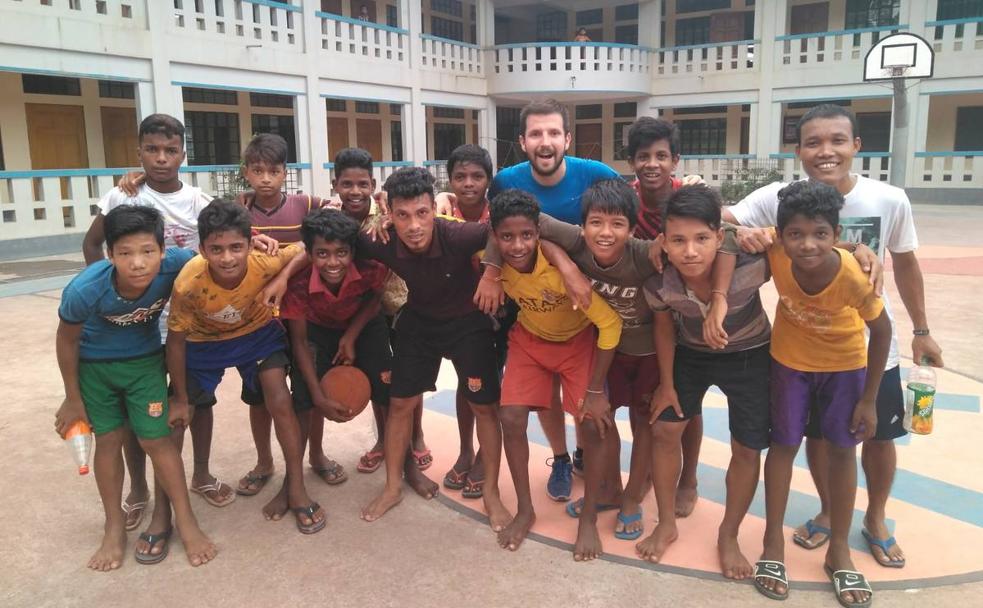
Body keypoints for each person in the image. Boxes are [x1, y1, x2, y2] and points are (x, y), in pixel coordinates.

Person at [724, 104, 942, 569]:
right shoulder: (779, 197)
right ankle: (828, 510)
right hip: (799, 358)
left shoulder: (890, 199)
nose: (826, 151)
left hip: (864, 354)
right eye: (813, 142)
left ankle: (876, 518)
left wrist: (923, 330)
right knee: (819, 440)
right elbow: (721, 219)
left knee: (878, 437)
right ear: (798, 149)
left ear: (856, 146)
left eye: (837, 141)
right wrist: (745, 232)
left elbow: (905, 263)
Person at [81, 113, 235, 530]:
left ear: (184, 154)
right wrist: (110, 296)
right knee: (138, 415)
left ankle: (200, 473)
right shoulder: (122, 197)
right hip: (138, 329)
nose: (161, 158)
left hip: (191, 327)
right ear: (139, 152)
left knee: (197, 402)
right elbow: (93, 243)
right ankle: (139, 490)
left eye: (170, 150)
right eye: (152, 149)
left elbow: (224, 247)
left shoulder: (199, 203)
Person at [753, 180, 891, 606]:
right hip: (789, 363)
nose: (807, 245)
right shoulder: (775, 248)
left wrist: (869, 398)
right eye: (795, 234)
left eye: (820, 234)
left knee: (841, 451)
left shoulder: (853, 275)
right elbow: (721, 228)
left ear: (836, 234)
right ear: (781, 235)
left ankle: (839, 552)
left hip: (844, 368)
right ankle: (771, 545)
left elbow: (881, 332)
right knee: (783, 446)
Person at [55, 205, 216, 569]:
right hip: (94, 370)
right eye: (125, 254)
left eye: (147, 252)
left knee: (157, 440)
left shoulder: (177, 263)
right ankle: (114, 529)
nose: (138, 263)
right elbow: (66, 341)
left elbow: (216, 253)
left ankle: (186, 522)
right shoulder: (85, 289)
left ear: (162, 250)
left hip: (145, 365)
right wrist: (72, 398)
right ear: (110, 254)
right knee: (109, 442)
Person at [355, 167, 511, 531]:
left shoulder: (455, 233)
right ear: (390, 214)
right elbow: (336, 232)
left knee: (485, 407)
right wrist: (371, 219)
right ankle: (392, 486)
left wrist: (491, 274)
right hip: (420, 323)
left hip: (468, 324)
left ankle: (492, 492)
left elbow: (497, 231)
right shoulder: (381, 238)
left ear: (434, 210)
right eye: (403, 215)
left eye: (422, 213)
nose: (413, 226)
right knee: (399, 404)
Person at [483, 98, 620, 501]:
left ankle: (583, 457)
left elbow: (623, 216)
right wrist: (491, 271)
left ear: (568, 139)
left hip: (582, 302)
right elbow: (500, 229)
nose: (546, 142)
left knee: (588, 404)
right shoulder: (506, 181)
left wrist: (570, 267)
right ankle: (560, 458)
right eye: (537, 134)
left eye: (554, 133)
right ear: (523, 141)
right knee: (541, 398)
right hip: (535, 297)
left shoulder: (597, 175)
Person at [165, 199, 325, 534]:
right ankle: (169, 506)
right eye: (217, 249)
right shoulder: (187, 283)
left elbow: (309, 248)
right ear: (202, 249)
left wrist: (281, 276)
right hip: (203, 344)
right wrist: (180, 397)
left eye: (236, 247)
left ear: (249, 243)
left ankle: (296, 487)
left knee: (280, 400)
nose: (227, 258)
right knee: (176, 421)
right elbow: (176, 341)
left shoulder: (263, 259)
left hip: (257, 337)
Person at [640, 185, 771, 579]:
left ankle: (728, 536)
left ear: (719, 236)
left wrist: (856, 250)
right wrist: (667, 383)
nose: (690, 251)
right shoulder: (659, 282)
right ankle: (665, 523)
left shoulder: (752, 264)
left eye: (701, 239)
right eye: (678, 240)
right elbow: (663, 329)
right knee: (665, 429)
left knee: (747, 446)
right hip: (691, 353)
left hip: (751, 354)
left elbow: (807, 247)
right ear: (663, 241)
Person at [490, 189, 622, 559]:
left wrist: (596, 390)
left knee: (594, 422)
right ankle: (525, 510)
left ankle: (588, 520)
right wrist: (487, 272)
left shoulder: (563, 272)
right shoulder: (494, 264)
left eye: (527, 236)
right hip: (530, 340)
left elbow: (610, 325)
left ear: (538, 233)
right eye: (507, 237)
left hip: (577, 343)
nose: (517, 245)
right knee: (511, 417)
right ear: (495, 237)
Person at [229, 133, 350, 496]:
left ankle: (317, 455)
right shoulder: (239, 210)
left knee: (307, 392)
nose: (265, 178)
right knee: (258, 396)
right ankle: (264, 461)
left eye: (273, 171)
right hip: (256, 319)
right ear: (246, 173)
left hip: (302, 316)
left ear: (285, 173)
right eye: (257, 170)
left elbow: (336, 212)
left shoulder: (305, 204)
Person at [327, 148, 430, 475]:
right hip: (362, 313)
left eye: (362, 184)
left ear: (372, 184)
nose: (355, 192)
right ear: (335, 185)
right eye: (347, 184)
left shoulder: (387, 213)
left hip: (400, 304)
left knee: (409, 375)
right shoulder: (333, 218)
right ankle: (384, 440)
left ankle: (416, 435)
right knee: (379, 377)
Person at [625, 116, 705, 518]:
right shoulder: (626, 199)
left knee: (689, 404)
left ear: (676, 160)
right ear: (632, 162)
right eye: (643, 156)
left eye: (661, 155)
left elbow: (721, 231)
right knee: (650, 403)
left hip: (689, 315)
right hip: (646, 316)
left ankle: (688, 478)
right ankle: (642, 477)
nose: (652, 164)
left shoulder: (691, 198)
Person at [279, 208, 393, 486]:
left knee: (388, 391)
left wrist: (351, 335)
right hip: (317, 331)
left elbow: (376, 297)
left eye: (341, 252)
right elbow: (300, 343)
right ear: (309, 252)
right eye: (322, 253)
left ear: (353, 251)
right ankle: (293, 482)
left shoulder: (372, 266)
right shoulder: (297, 284)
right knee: (304, 400)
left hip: (364, 325)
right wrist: (318, 397)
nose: (333, 262)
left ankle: (402, 463)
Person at [435, 144, 499, 500]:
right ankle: (465, 450)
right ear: (450, 180)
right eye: (460, 176)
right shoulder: (441, 212)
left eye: (477, 176)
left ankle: (486, 456)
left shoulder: (499, 212)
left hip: (501, 315)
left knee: (491, 391)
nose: (468, 183)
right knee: (466, 384)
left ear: (489, 180)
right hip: (460, 314)